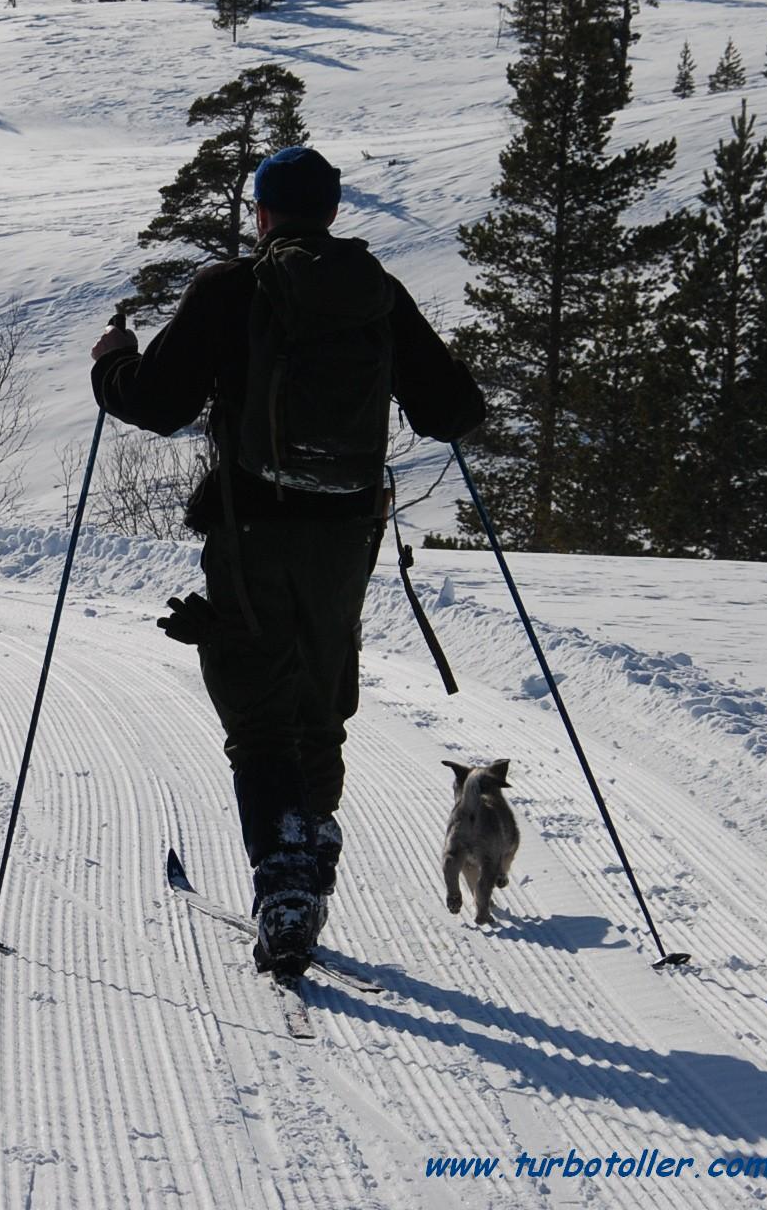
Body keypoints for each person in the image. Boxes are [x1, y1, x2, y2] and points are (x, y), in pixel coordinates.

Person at [90, 145, 486, 977]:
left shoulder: (231, 290)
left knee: (257, 705)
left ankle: (286, 882)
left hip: (255, 529)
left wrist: (110, 364)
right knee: (318, 692)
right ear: (333, 213)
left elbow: (157, 403)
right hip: (346, 537)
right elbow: (453, 411)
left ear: (262, 213)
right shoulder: (378, 293)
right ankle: (313, 831)